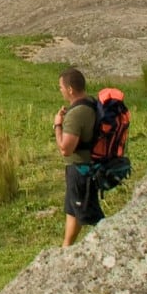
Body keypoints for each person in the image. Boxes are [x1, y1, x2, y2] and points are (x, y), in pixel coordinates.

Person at [54, 68, 102, 247]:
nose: (60, 90)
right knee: (73, 211)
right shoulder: (90, 103)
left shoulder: (76, 114)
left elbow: (65, 149)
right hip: (82, 168)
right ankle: (66, 249)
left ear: (70, 89)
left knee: (92, 216)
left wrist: (57, 125)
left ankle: (112, 244)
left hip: (80, 171)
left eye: (61, 87)